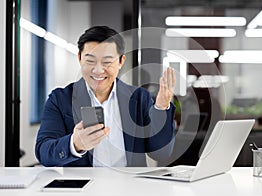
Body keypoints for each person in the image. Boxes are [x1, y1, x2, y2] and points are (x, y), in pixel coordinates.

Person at [35, 26, 176, 167]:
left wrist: (162, 107)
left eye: (107, 62)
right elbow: (43, 152)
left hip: (130, 186)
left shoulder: (139, 98)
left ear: (121, 61)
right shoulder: (60, 99)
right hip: (84, 187)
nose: (98, 70)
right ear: (79, 58)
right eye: (90, 61)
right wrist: (75, 144)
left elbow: (160, 153)